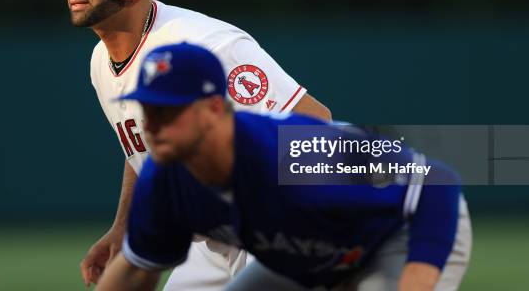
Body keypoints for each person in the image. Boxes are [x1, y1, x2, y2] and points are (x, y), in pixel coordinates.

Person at [41, 0, 332, 289]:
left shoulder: (205, 45)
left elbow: (314, 122)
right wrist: (123, 228)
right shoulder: (100, 60)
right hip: (212, 238)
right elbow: (144, 148)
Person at [95, 42, 472, 291]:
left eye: (168, 110)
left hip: (395, 237)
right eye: (148, 108)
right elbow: (137, 268)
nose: (152, 124)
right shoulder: (166, 176)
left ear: (213, 110)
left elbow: (436, 182)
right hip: (307, 255)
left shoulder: (292, 152)